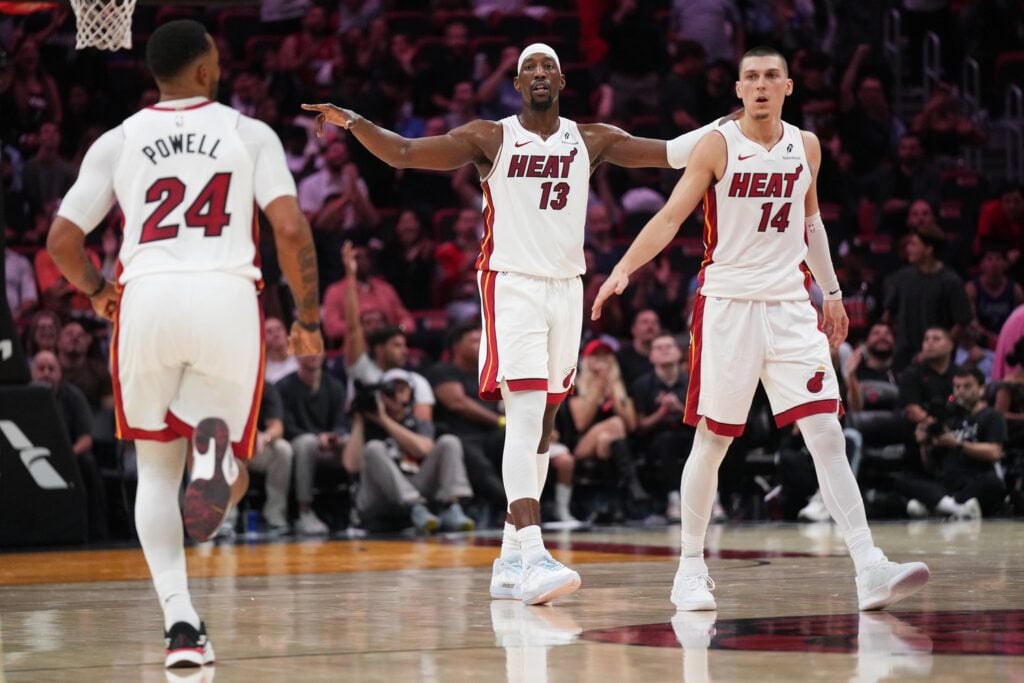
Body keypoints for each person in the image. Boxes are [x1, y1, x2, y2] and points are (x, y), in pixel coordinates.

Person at [303, 42, 716, 606]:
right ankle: (533, 548)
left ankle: (508, 557)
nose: (539, 73)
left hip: (567, 288)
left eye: (548, 66)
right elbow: (402, 152)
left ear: (562, 81)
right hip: (512, 285)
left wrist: (734, 125)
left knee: (545, 424)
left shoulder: (591, 139)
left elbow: (673, 152)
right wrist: (352, 121)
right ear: (517, 85)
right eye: (529, 68)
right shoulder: (490, 137)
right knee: (521, 416)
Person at [592, 47, 929, 613]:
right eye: (751, 77)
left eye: (772, 76)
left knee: (825, 433)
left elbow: (813, 221)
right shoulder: (718, 145)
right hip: (728, 306)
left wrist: (834, 294)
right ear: (740, 90)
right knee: (714, 439)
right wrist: (623, 271)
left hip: (792, 307)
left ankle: (869, 564)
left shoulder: (808, 146)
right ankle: (690, 570)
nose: (762, 85)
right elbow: (672, 216)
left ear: (788, 87)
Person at [45, 20, 323, 669]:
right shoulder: (249, 134)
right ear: (206, 70)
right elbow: (289, 225)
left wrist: (95, 290)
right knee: (220, 456)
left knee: (154, 468)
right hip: (225, 295)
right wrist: (307, 314)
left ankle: (181, 626)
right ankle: (219, 466)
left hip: (147, 297)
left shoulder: (119, 139)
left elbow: (62, 239)